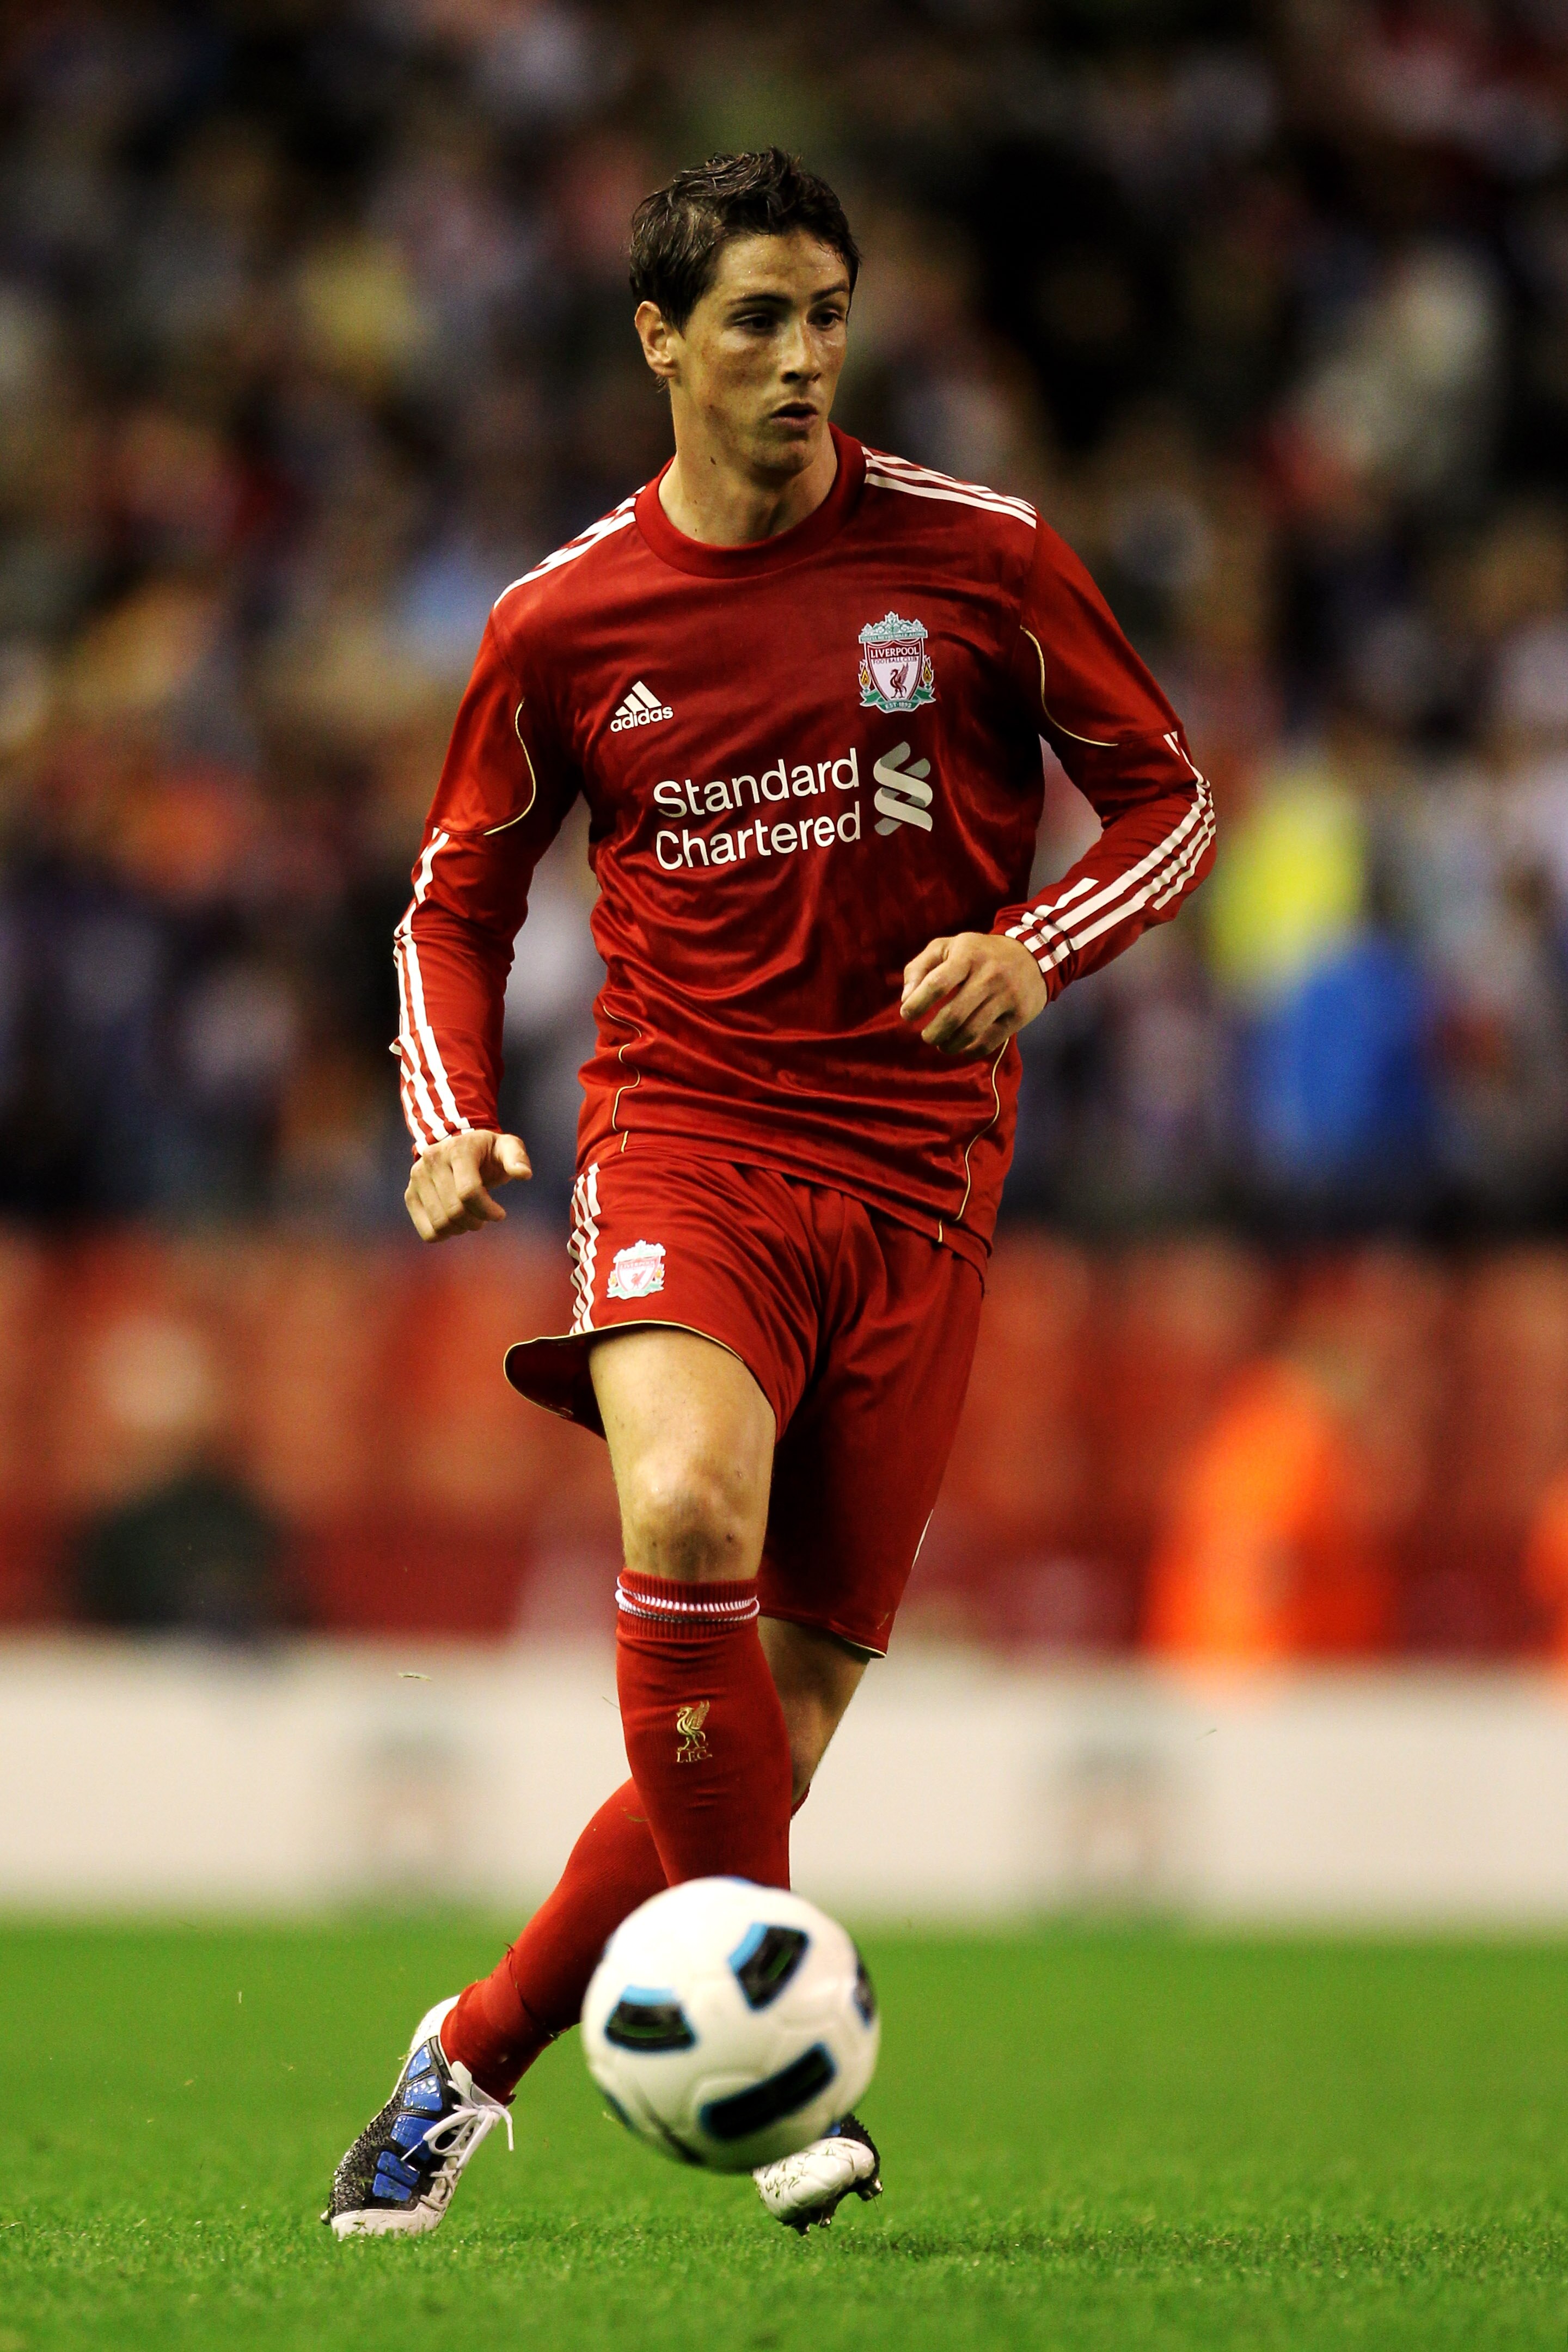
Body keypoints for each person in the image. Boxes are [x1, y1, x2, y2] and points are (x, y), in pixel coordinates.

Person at [325, 148, 1214, 2240]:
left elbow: (1171, 798)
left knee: (770, 1733)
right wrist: (448, 1106)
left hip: (919, 1178)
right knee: (684, 1512)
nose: (803, 355)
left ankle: (464, 2055)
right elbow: (456, 896)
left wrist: (1041, 946)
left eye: (827, 313)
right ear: (659, 340)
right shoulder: (562, 623)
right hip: (688, 1137)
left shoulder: (979, 558)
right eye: (755, 317)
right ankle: (781, 2065)